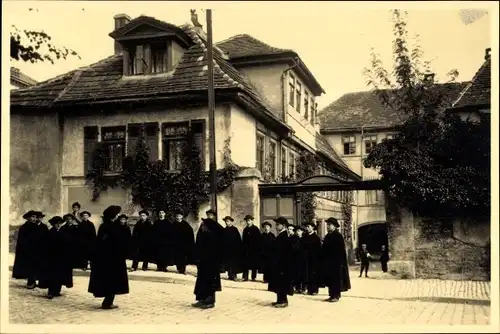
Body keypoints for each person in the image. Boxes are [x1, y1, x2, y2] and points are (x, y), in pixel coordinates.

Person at [88, 205, 129, 309]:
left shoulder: (104, 226)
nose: (119, 215)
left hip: (105, 258)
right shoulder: (113, 227)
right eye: (117, 214)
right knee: (113, 280)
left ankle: (107, 301)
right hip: (113, 258)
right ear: (113, 216)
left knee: (108, 280)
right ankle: (107, 303)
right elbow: (116, 242)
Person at [193, 209, 225, 309]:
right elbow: (198, 240)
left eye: (211, 215)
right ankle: (201, 299)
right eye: (208, 214)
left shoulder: (217, 227)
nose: (209, 216)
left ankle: (210, 301)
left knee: (211, 280)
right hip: (203, 258)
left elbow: (222, 242)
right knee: (202, 279)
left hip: (212, 259)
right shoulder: (203, 225)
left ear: (214, 216)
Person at [38, 216, 75, 299]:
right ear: (53, 224)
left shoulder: (62, 232)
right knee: (52, 275)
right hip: (52, 258)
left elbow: (66, 243)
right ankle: (50, 292)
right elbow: (46, 245)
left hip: (61, 258)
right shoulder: (50, 232)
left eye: (59, 224)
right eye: (56, 224)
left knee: (59, 275)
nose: (58, 225)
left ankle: (57, 291)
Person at [12, 210, 49, 289]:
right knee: (29, 267)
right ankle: (31, 282)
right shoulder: (23, 228)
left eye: (35, 217)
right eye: (32, 217)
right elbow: (21, 241)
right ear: (28, 218)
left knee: (38, 266)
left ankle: (39, 281)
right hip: (28, 251)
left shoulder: (37, 227)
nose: (34, 219)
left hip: (38, 250)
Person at [321, 217, 351, 303]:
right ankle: (331, 295)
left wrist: (339, 262)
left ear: (334, 226)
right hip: (328, 262)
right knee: (330, 279)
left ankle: (336, 295)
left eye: (329, 225)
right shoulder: (327, 236)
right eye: (327, 225)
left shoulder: (338, 236)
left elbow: (340, 251)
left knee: (336, 279)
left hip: (336, 262)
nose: (328, 226)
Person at [267, 217, 294, 308]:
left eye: (278, 224)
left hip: (282, 264)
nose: (276, 226)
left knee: (282, 283)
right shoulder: (280, 235)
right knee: (278, 282)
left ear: (283, 226)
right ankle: (279, 300)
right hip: (278, 264)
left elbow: (284, 252)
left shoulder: (284, 236)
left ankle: (283, 301)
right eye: (276, 224)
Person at [302, 221, 322, 295]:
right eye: (306, 227)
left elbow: (318, 250)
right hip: (306, 259)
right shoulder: (305, 236)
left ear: (313, 227)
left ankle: (314, 290)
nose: (307, 228)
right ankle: (309, 289)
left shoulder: (316, 238)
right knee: (307, 274)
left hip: (314, 259)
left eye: (309, 227)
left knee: (314, 274)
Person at [242, 214, 262, 282]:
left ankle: (253, 277)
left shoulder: (256, 229)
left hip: (254, 249)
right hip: (246, 249)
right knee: (245, 263)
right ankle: (245, 277)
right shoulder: (245, 229)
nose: (248, 222)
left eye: (249, 221)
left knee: (254, 263)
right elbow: (243, 240)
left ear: (252, 221)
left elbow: (259, 240)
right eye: (247, 221)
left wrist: (257, 248)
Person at [292, 225, 307, 294]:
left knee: (303, 274)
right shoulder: (294, 239)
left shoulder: (305, 239)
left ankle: (304, 288)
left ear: (302, 232)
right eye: (296, 231)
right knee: (296, 274)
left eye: (299, 231)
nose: (297, 232)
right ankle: (297, 288)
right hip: (296, 259)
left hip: (303, 259)